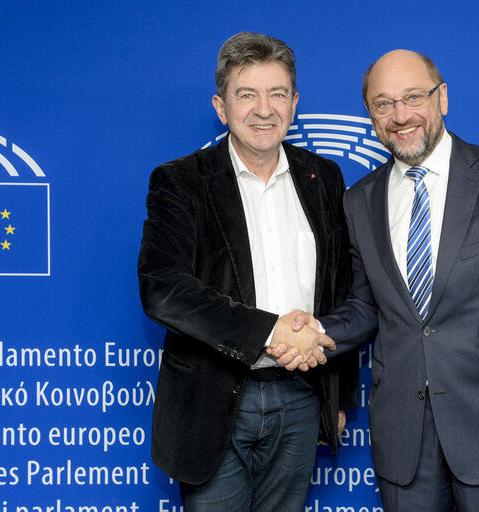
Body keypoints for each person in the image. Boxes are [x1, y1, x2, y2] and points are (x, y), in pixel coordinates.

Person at [271, 49, 479, 511]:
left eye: (413, 97)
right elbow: (367, 308)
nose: (400, 116)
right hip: (406, 448)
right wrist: (315, 332)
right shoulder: (360, 201)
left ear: (441, 98)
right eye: (383, 104)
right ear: (370, 115)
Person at [138, 32, 357, 512]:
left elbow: (342, 287)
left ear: (295, 103)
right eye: (247, 94)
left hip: (302, 397)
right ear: (221, 106)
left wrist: (340, 398)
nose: (264, 109)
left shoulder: (326, 177)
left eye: (277, 94)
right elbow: (163, 289)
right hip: (212, 401)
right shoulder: (180, 182)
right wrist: (268, 330)